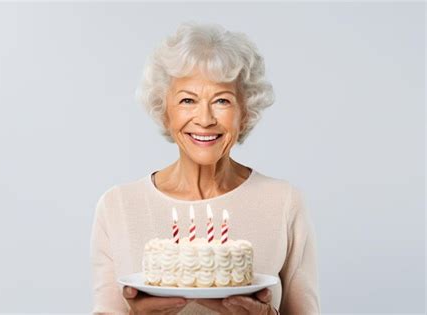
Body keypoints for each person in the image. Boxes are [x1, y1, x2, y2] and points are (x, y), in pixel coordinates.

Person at [90, 21, 321, 315]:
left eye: (222, 100)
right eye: (187, 100)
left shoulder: (285, 202)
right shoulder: (117, 207)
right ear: (165, 112)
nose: (205, 118)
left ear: (245, 112)